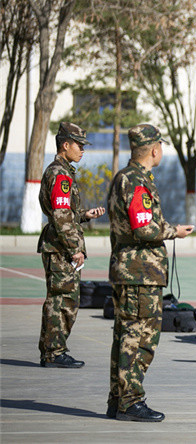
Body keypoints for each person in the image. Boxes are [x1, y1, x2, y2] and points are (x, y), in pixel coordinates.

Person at [106, 124, 194, 422]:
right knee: (139, 338)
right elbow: (143, 228)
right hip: (139, 274)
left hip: (131, 271)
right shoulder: (136, 181)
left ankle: (119, 399)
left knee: (125, 336)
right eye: (161, 147)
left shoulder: (126, 177)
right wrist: (174, 231)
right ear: (155, 149)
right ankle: (130, 401)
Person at [37, 122, 106, 368]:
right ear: (65, 145)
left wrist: (84, 216)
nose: (82, 150)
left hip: (59, 246)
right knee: (62, 301)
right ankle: (54, 352)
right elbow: (60, 214)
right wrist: (74, 248)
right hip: (60, 249)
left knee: (63, 299)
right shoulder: (60, 175)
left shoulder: (62, 171)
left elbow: (64, 212)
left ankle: (52, 350)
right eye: (79, 145)